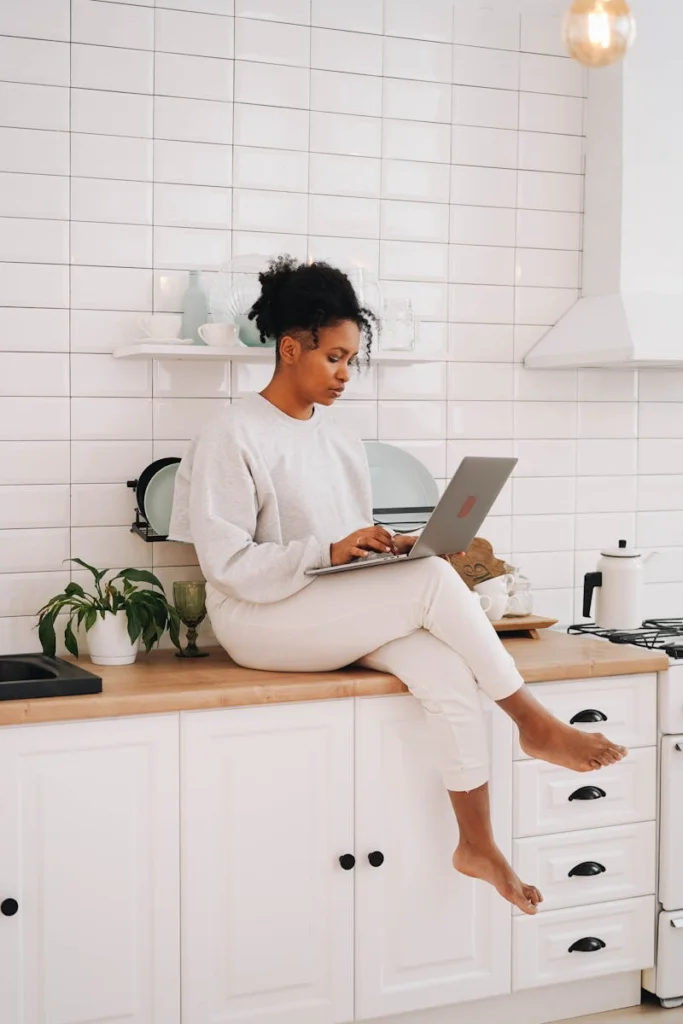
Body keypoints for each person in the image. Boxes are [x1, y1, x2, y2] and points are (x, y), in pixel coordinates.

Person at [169, 256, 627, 915]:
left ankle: (476, 844)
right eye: (333, 357)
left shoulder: (339, 438)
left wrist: (380, 547)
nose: (344, 374)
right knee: (431, 582)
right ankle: (532, 722)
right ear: (290, 347)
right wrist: (330, 550)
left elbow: (339, 542)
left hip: (323, 606)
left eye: (351, 359)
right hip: (257, 618)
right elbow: (226, 563)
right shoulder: (230, 433)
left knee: (445, 672)